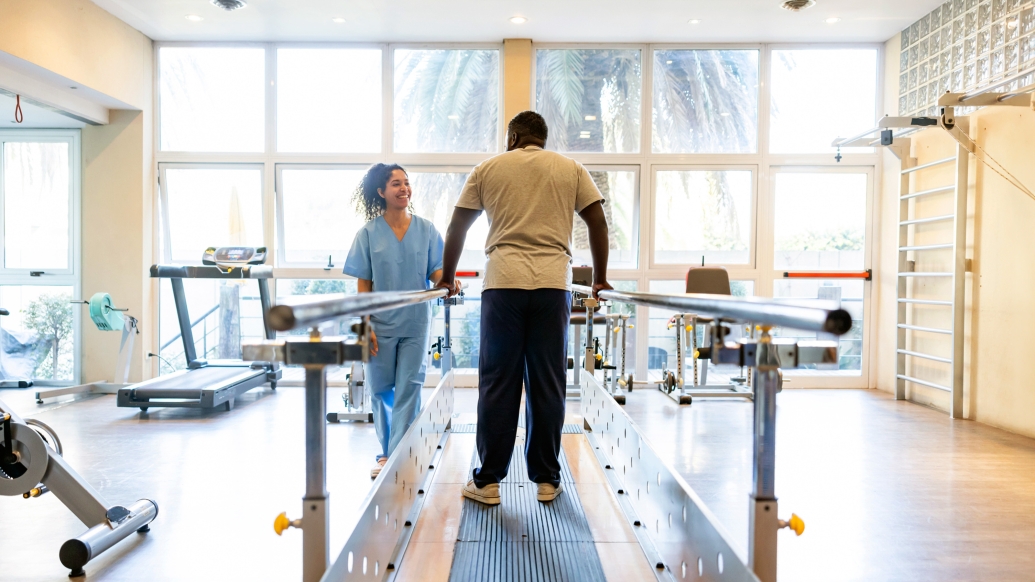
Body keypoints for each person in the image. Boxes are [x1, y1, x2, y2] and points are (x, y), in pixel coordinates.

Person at [435, 111, 612, 505]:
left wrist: (447, 276)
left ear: (513, 136)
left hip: (503, 284)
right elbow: (597, 222)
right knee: (547, 383)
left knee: (499, 383)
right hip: (553, 286)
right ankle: (547, 480)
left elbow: (457, 227)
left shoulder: (488, 168)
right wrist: (599, 279)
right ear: (542, 138)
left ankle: (488, 482)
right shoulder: (570, 169)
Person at [343, 163, 457, 478]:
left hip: (415, 323)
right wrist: (365, 326)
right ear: (381, 192)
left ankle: (395, 455)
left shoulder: (427, 229)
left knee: (409, 386)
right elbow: (363, 285)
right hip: (379, 323)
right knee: (381, 389)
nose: (403, 188)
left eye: (406, 183)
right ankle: (390, 448)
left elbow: (435, 271)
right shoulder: (367, 234)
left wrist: (447, 281)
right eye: (396, 183)